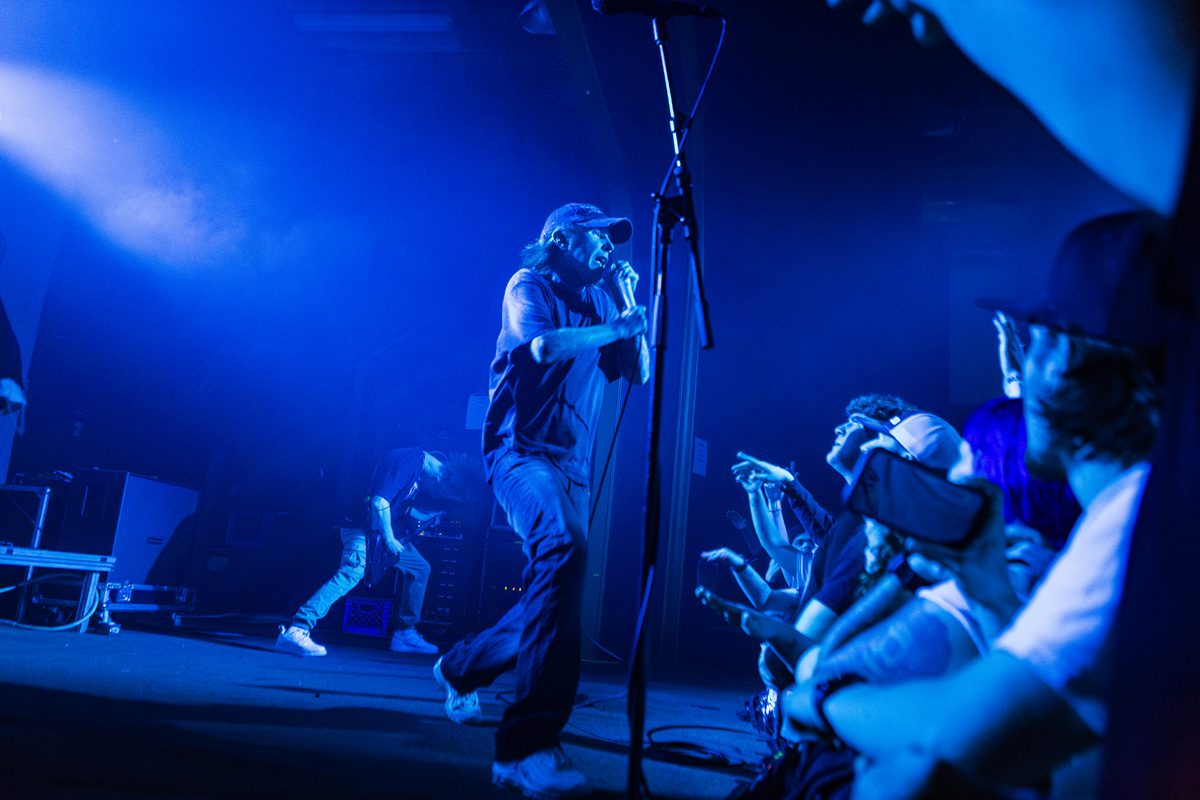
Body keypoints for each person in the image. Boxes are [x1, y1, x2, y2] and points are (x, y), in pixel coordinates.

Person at [783, 212, 1166, 798]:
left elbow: (955, 740)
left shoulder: (1131, 523)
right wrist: (988, 591)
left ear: (1059, 358)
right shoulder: (1148, 507)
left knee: (894, 780)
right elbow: (1045, 700)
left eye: (1040, 339)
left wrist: (820, 701)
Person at [433, 203, 649, 799]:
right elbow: (542, 348)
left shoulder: (604, 302)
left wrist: (628, 308)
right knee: (566, 549)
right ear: (561, 239)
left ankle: (461, 667)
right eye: (596, 236)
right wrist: (619, 328)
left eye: (611, 240)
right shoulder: (527, 284)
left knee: (556, 586)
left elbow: (639, 373)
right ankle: (525, 746)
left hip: (575, 468)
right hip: (520, 453)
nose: (607, 247)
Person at [275, 448, 448, 657]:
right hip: (361, 527)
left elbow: (401, 510)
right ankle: (298, 628)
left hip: (378, 532)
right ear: (437, 477)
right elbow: (379, 502)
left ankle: (404, 633)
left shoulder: (418, 473)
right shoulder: (408, 460)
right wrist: (389, 538)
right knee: (352, 571)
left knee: (419, 569)